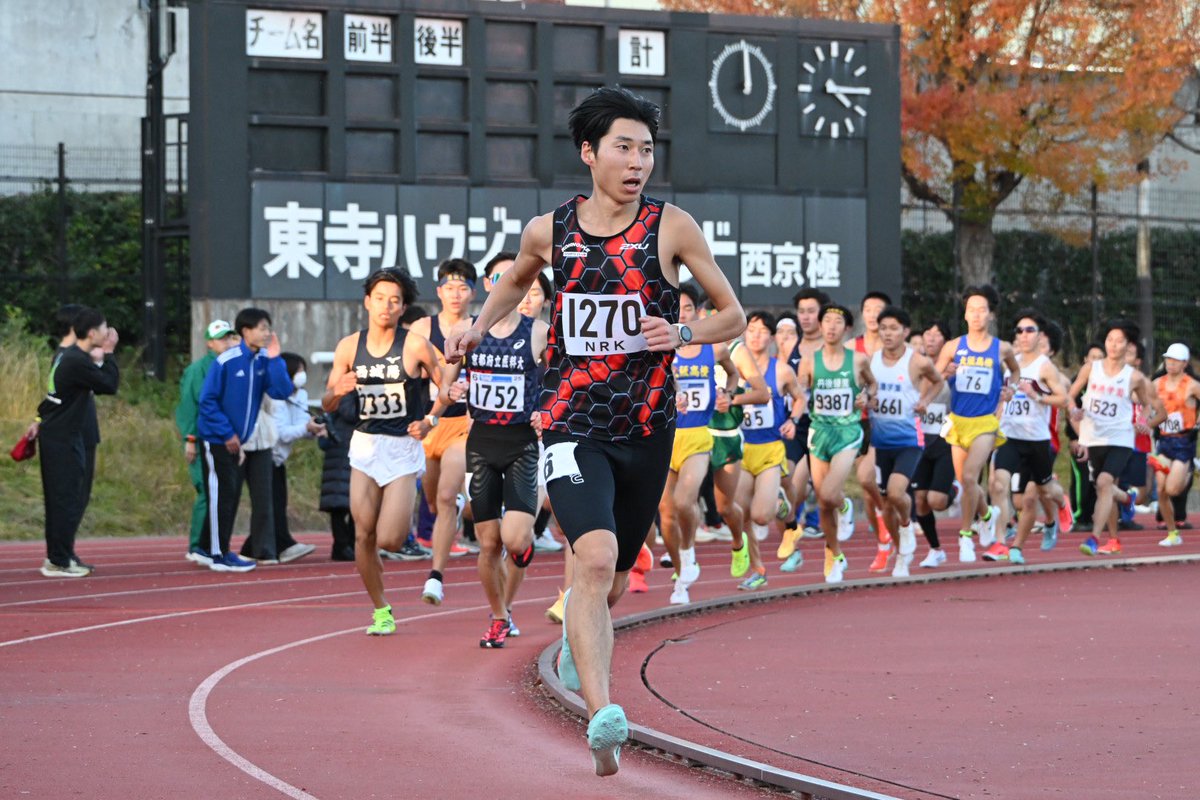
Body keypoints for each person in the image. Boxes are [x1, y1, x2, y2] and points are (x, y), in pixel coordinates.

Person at [444, 86, 746, 777]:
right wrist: (477, 328)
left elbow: (731, 313)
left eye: (646, 149)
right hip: (572, 421)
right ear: (589, 153)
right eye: (623, 147)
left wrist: (682, 331)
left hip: (648, 429)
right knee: (599, 556)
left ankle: (589, 657)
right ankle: (604, 717)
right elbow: (515, 281)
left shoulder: (672, 228)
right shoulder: (549, 231)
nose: (638, 161)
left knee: (605, 582)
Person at [435, 252, 549, 647]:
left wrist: (547, 410)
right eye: (497, 277)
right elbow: (445, 385)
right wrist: (452, 390)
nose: (505, 284)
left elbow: (561, 379)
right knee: (487, 543)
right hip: (481, 443)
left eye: (511, 279)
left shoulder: (537, 332)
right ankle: (499, 615)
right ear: (488, 285)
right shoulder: (467, 330)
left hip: (520, 445)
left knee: (516, 539)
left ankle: (521, 558)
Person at [323, 268, 443, 634]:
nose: (385, 306)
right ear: (367, 302)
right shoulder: (348, 346)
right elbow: (327, 402)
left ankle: (402, 529)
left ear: (403, 306)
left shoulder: (415, 345)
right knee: (363, 535)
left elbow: (449, 384)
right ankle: (381, 609)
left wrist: (431, 420)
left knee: (389, 539)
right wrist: (339, 390)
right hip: (365, 446)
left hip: (403, 448)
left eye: (394, 300)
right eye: (379, 298)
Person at [661, 288, 767, 604]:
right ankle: (682, 575)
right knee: (666, 512)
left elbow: (736, 378)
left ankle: (732, 543)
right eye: (676, 308)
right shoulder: (661, 347)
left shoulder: (717, 349)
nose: (682, 314)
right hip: (666, 436)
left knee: (705, 504)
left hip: (705, 435)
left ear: (698, 313)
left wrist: (728, 395)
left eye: (688, 308)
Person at [197, 307, 294, 573]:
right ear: (245, 331)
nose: (267, 333)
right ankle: (216, 553)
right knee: (221, 496)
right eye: (261, 328)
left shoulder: (265, 360)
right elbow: (208, 401)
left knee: (231, 496)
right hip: (217, 439)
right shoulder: (227, 361)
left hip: (239, 440)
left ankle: (221, 551)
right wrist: (227, 433)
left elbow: (282, 390)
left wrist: (275, 359)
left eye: (268, 328)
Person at [933, 285, 1021, 562]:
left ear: (991, 315)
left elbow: (1015, 371)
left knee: (971, 477)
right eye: (971, 309)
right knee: (965, 482)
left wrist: (1011, 388)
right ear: (965, 313)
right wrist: (946, 373)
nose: (976, 315)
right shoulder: (952, 347)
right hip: (958, 421)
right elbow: (934, 378)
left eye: (982, 310)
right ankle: (986, 513)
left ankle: (965, 537)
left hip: (985, 422)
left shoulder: (1001, 348)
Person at [408, 257, 477, 604]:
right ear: (439, 291)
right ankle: (465, 507)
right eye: (449, 288)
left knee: (447, 496)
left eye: (462, 288)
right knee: (435, 503)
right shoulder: (421, 329)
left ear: (472, 293)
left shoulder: (478, 328)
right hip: (429, 423)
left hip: (464, 424)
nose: (455, 294)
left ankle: (435, 576)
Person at [33, 307, 119, 577]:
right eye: (104, 329)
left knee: (68, 498)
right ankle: (57, 559)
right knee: (64, 499)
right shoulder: (74, 360)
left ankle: (63, 555)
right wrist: (109, 352)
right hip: (62, 437)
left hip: (63, 435)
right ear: (91, 332)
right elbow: (109, 385)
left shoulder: (72, 357)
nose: (108, 333)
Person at [1068, 319, 1165, 556]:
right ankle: (1117, 529)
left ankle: (1093, 538)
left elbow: (1148, 406)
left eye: (1119, 341)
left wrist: (1143, 421)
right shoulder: (1091, 368)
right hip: (1094, 437)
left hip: (1121, 438)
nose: (1113, 345)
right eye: (1109, 339)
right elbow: (1070, 396)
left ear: (1127, 345)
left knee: (1104, 483)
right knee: (1107, 489)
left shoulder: (1134, 377)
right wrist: (1074, 410)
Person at [794, 303, 876, 584]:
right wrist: (797, 393)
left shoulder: (858, 360)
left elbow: (872, 386)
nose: (830, 326)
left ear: (847, 329)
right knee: (823, 503)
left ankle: (845, 506)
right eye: (826, 321)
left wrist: (866, 397)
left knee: (829, 494)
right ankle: (835, 554)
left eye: (836, 322)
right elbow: (800, 390)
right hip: (819, 432)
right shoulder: (809, 360)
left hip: (848, 432)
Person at [989, 310, 1072, 565]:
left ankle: (1061, 502)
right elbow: (1002, 396)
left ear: (1040, 336)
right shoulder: (1009, 363)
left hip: (1036, 441)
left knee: (1044, 490)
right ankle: (1005, 544)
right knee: (999, 485)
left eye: (1030, 330)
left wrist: (1036, 396)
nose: (1023, 335)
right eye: (1019, 331)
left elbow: (1064, 399)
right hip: (1009, 436)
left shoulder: (1044, 367)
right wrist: (999, 406)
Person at [868, 306, 943, 577]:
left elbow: (937, 382)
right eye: (883, 328)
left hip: (910, 439)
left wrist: (925, 401)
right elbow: (865, 389)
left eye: (894, 328)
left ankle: (908, 525)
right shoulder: (871, 360)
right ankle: (901, 553)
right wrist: (867, 399)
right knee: (887, 503)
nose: (888, 334)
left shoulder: (917, 361)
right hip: (880, 442)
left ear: (906, 332)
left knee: (897, 492)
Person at [733, 311, 804, 590]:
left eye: (763, 331)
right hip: (742, 448)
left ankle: (782, 505)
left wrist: (793, 421)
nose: (756, 335)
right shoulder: (735, 368)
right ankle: (758, 569)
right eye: (751, 330)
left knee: (762, 515)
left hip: (770, 450)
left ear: (772, 337)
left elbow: (799, 399)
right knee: (740, 512)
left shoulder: (782, 370)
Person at [176, 320, 240, 563]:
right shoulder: (199, 370)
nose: (227, 342)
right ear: (210, 343)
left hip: (226, 440)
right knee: (206, 490)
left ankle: (212, 545)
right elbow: (190, 405)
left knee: (222, 492)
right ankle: (198, 545)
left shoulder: (233, 366)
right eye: (222, 338)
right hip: (204, 438)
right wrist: (190, 438)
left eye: (230, 337)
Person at [266, 352, 323, 564]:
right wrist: (305, 427)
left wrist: (314, 429)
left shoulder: (301, 395)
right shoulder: (276, 397)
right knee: (272, 502)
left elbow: (300, 426)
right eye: (298, 371)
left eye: (303, 371)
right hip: (267, 454)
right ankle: (279, 545)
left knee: (278, 501)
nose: (302, 375)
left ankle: (274, 545)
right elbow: (281, 432)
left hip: (279, 457)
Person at [911, 321, 957, 568]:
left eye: (937, 334)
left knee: (937, 501)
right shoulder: (916, 366)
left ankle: (956, 489)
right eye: (927, 333)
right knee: (920, 499)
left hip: (946, 440)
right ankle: (935, 549)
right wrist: (940, 375)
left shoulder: (957, 369)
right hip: (920, 440)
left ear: (946, 342)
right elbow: (918, 394)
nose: (930, 338)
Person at [1152, 343, 1199, 546]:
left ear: (1184, 363)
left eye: (1176, 360)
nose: (1171, 363)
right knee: (1161, 489)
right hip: (1164, 441)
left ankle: (1190, 467)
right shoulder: (1156, 383)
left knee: (1172, 490)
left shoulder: (1192, 385)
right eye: (1168, 359)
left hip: (1184, 442)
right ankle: (1172, 533)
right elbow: (1143, 399)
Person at [318, 392, 359, 561]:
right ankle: (342, 545)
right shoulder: (346, 396)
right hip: (342, 457)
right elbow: (350, 412)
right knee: (340, 507)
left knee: (354, 507)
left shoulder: (335, 402)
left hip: (347, 455)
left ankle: (347, 545)